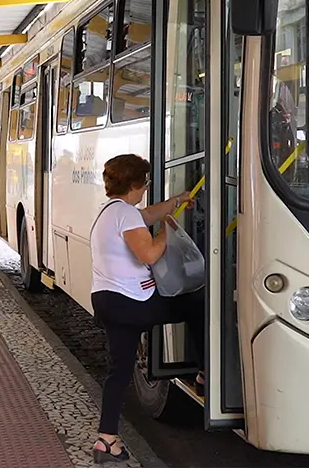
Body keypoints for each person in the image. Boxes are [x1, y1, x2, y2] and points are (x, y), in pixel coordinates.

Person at [89, 154, 203, 463]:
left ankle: (107, 439)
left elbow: (148, 214)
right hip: (132, 303)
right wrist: (170, 229)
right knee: (196, 305)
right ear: (135, 184)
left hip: (107, 301)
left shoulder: (110, 212)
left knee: (120, 370)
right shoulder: (126, 214)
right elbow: (150, 255)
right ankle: (204, 372)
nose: (145, 189)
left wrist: (175, 201)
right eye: (145, 183)